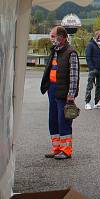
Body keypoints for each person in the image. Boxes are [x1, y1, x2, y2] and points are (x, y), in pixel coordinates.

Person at [40, 26, 79, 159]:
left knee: (64, 120)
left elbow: (74, 76)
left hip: (64, 92)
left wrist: (71, 94)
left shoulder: (71, 52)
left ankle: (66, 150)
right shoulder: (55, 51)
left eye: (52, 36)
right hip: (52, 89)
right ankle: (56, 148)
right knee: (53, 120)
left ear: (61, 38)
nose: (51, 39)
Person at [85, 29, 100, 110]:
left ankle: (97, 102)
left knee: (99, 86)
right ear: (96, 35)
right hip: (93, 69)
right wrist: (91, 67)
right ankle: (87, 103)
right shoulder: (90, 44)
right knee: (90, 86)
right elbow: (88, 56)